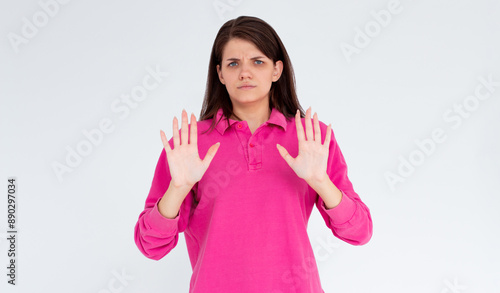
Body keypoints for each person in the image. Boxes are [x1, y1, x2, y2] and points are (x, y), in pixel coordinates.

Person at [134, 16, 372, 292]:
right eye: (233, 63)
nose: (245, 73)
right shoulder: (190, 144)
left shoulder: (311, 139)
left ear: (276, 69)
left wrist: (321, 182)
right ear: (220, 73)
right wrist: (178, 188)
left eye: (257, 62)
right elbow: (151, 246)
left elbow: (360, 232)